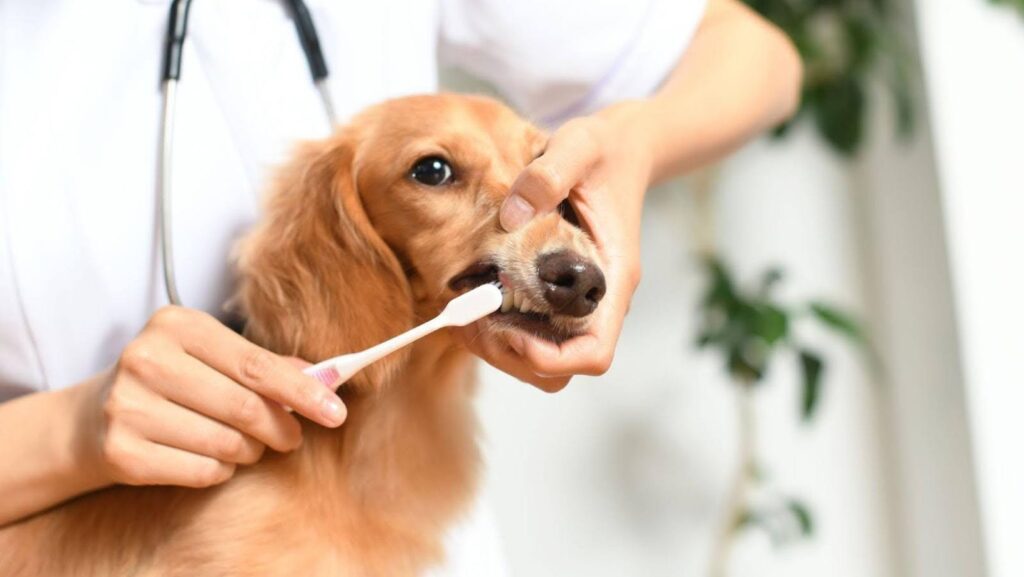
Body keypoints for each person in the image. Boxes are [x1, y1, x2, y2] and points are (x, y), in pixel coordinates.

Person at [0, 0, 801, 573]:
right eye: (436, 170)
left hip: (422, 520)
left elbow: (756, 57)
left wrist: (636, 142)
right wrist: (71, 431)